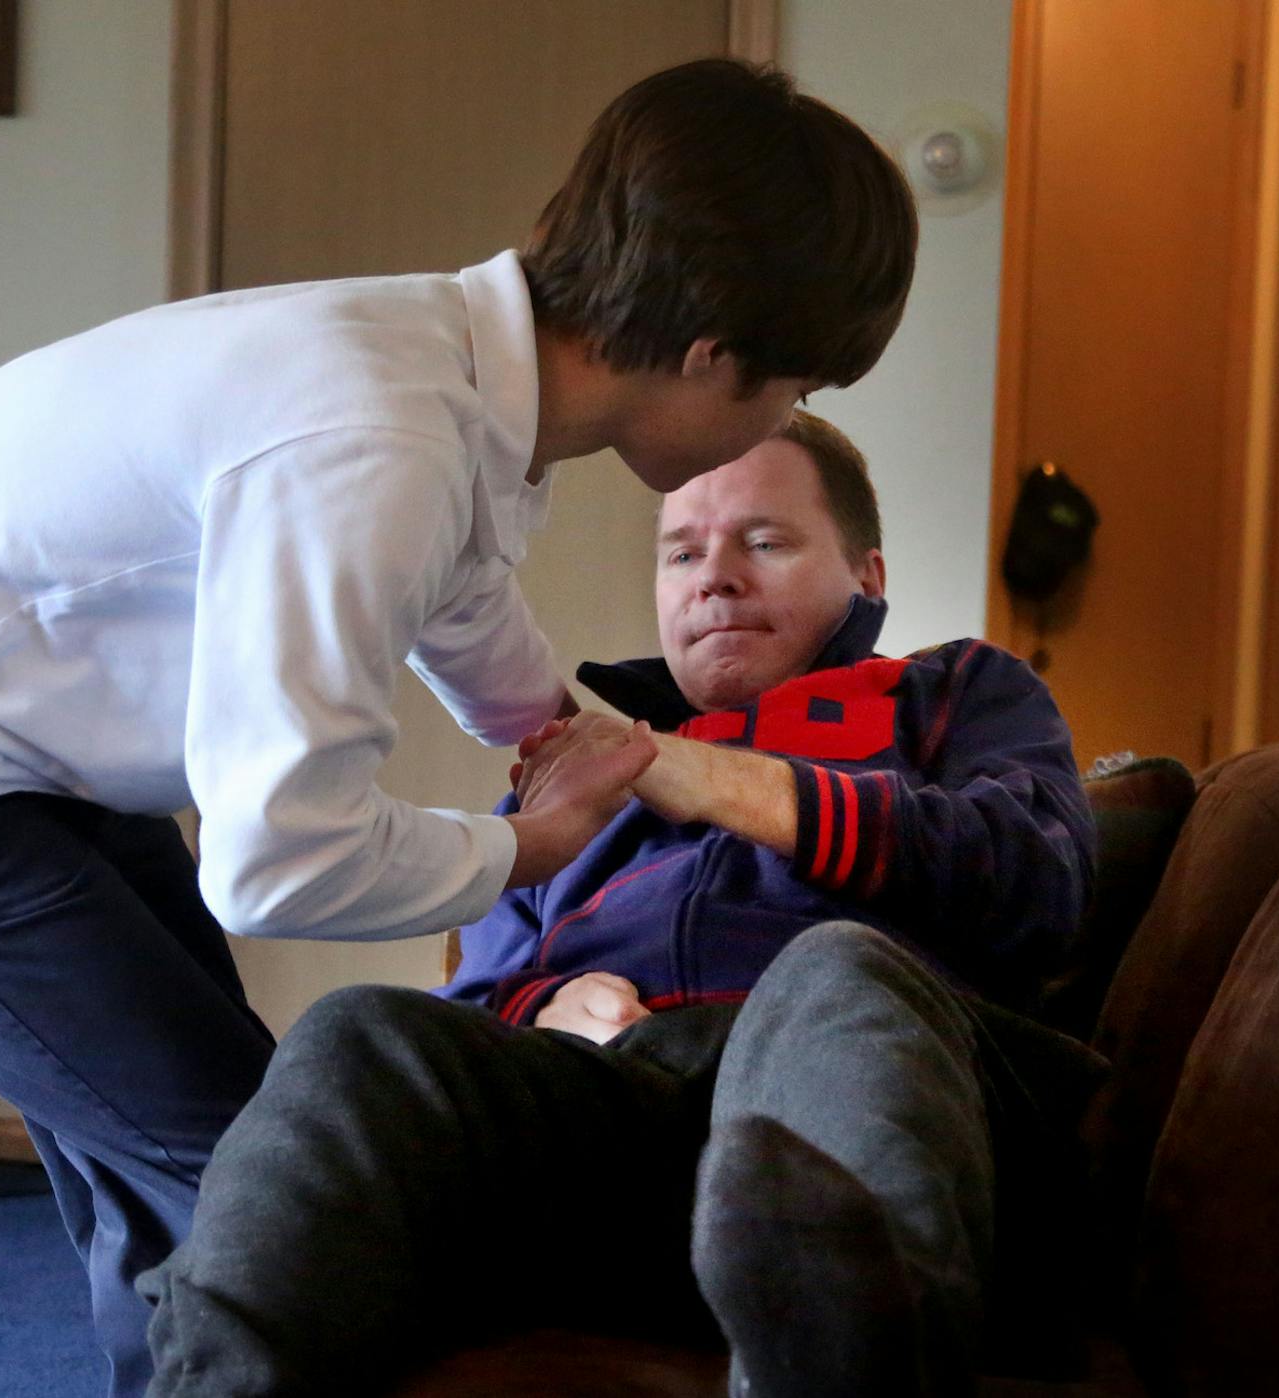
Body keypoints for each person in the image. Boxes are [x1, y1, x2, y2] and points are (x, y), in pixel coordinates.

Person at [0, 59, 918, 1397]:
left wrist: (592, 748)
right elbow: (277, 859)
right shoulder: (376, 435)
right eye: (789, 384)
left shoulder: (446, 371)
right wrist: (525, 845)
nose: (780, 422)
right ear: (708, 352)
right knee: (250, 1173)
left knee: (205, 1156)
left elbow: (466, 606)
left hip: (2, 749)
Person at [139, 415, 1098, 1397]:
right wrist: (543, 1014)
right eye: (684, 551)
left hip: (871, 1092)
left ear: (869, 576)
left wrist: (726, 785)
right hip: (618, 1116)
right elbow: (481, 994)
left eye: (763, 542)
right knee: (356, 1037)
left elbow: (1039, 877)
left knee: (833, 970)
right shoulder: (579, 772)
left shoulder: (957, 690)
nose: (714, 575)